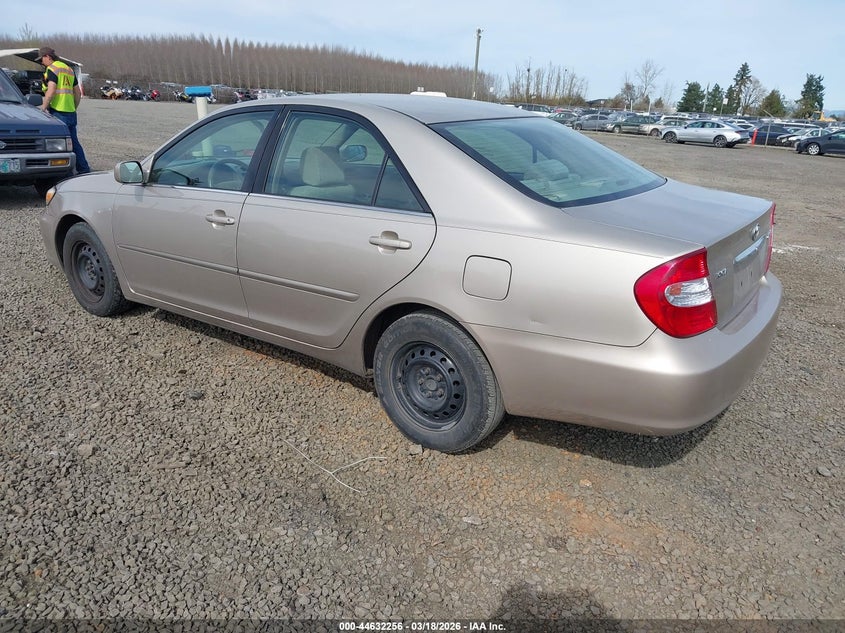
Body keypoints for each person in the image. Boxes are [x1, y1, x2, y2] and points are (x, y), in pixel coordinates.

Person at [36, 46, 91, 174]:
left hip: (58, 111)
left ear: (48, 57)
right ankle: (83, 169)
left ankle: (65, 172)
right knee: (74, 142)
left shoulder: (52, 69)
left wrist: (43, 108)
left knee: (60, 145)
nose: (41, 62)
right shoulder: (68, 69)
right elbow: (77, 93)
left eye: (42, 59)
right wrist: (73, 107)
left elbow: (51, 90)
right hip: (70, 111)